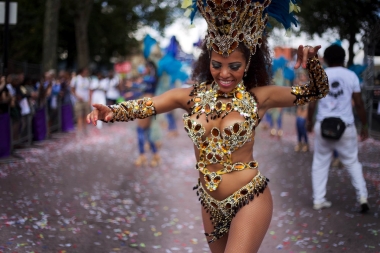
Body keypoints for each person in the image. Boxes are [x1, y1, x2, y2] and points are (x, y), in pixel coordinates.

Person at [87, 0, 329, 252]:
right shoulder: (192, 97)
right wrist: (113, 111)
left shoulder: (259, 97)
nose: (224, 73)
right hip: (209, 201)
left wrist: (312, 63)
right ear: (207, 61)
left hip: (250, 197)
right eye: (217, 65)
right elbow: (151, 104)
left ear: (247, 66)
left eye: (234, 66)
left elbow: (317, 91)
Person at [307, 44, 369, 213]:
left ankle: (318, 200)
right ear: (344, 59)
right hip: (345, 127)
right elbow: (359, 104)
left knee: (320, 163)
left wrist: (309, 121)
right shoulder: (351, 76)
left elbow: (312, 103)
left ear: (325, 59)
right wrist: (364, 124)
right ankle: (362, 196)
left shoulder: (319, 75)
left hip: (323, 125)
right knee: (352, 162)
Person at [71, 67, 91, 134]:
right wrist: (77, 96)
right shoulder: (76, 79)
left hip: (86, 100)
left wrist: (90, 100)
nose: (86, 73)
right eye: (85, 71)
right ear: (81, 72)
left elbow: (89, 90)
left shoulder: (87, 79)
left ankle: (85, 130)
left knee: (85, 115)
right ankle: (79, 131)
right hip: (78, 101)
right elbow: (72, 89)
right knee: (79, 116)